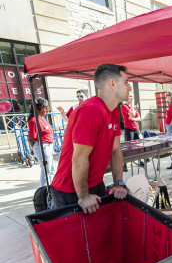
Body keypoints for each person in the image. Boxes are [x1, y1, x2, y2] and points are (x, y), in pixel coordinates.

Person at [51, 64, 131, 214]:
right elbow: (79, 158)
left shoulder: (113, 110)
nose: (130, 87)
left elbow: (115, 150)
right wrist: (83, 196)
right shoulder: (92, 110)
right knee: (76, 237)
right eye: (126, 82)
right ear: (112, 84)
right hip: (70, 190)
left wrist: (118, 183)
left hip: (95, 184)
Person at [28, 97, 55, 187]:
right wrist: (33, 152)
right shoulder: (34, 121)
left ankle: (51, 188)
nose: (48, 109)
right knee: (46, 170)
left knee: (51, 170)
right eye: (47, 107)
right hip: (43, 147)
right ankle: (44, 190)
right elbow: (31, 138)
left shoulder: (42, 118)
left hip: (48, 146)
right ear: (42, 108)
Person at [120, 91, 141, 172]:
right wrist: (132, 107)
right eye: (130, 96)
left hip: (136, 128)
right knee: (128, 147)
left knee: (139, 145)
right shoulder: (123, 106)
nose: (131, 98)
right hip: (129, 129)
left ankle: (140, 161)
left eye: (132, 96)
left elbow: (139, 118)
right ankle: (125, 165)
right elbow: (132, 114)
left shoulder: (134, 107)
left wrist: (134, 119)